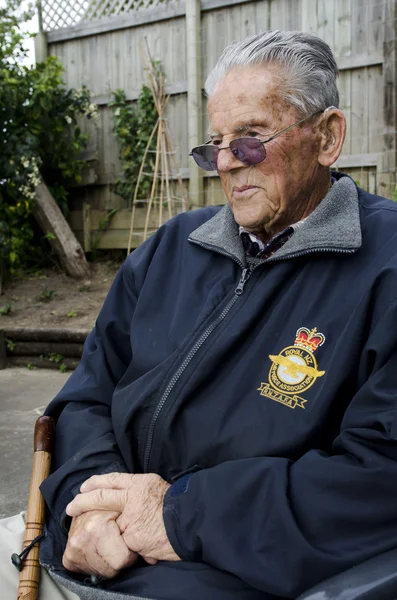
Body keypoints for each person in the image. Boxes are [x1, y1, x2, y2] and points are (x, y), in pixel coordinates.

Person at [3, 29, 397, 600]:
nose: (228, 163)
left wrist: (178, 515)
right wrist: (90, 507)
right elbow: (86, 397)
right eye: (215, 144)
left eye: (252, 139)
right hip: (79, 544)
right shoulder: (171, 248)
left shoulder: (385, 267)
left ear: (328, 137)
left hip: (220, 576)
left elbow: (378, 477)